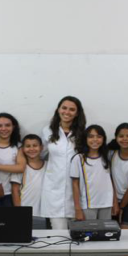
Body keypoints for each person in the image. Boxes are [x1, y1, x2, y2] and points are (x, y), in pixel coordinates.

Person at [40, 96, 87, 229]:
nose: (67, 112)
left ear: (77, 113)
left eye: (72, 109)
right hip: (54, 188)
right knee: (58, 234)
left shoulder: (83, 133)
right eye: (64, 108)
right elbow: (40, 154)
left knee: (79, 236)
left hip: (78, 190)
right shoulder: (47, 131)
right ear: (58, 109)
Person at [71, 125, 118, 220]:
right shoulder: (79, 158)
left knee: (104, 233)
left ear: (103, 139)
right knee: (90, 233)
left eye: (99, 136)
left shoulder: (107, 157)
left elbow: (111, 181)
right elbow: (75, 184)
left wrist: (115, 202)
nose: (95, 139)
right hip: (88, 205)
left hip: (106, 204)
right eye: (91, 136)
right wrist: (77, 209)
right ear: (85, 139)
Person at [0, 113, 26, 207]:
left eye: (7, 125)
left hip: (9, 194)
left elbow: (20, 167)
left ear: (13, 127)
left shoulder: (19, 147)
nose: (3, 129)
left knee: (8, 222)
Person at [11, 134, 49, 229]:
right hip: (25, 211)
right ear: (23, 149)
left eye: (35, 145)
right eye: (28, 146)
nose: (32, 149)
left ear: (41, 147)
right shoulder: (20, 168)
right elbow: (15, 190)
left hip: (45, 212)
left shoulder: (48, 165)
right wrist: (18, 211)